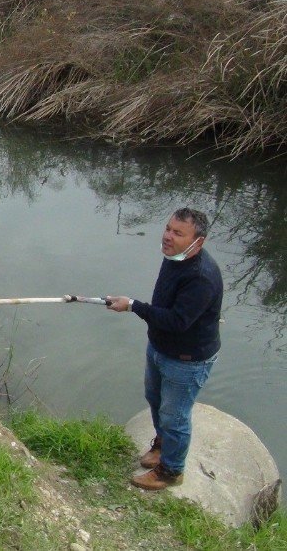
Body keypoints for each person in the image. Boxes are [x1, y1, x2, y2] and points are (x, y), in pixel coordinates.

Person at [106, 207, 223, 491]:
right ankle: (161, 445)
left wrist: (132, 305)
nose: (168, 237)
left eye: (178, 233)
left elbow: (177, 321)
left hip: (187, 359)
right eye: (168, 229)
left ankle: (171, 472)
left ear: (199, 241)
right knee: (155, 398)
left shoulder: (201, 278)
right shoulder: (173, 257)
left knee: (175, 416)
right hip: (161, 347)